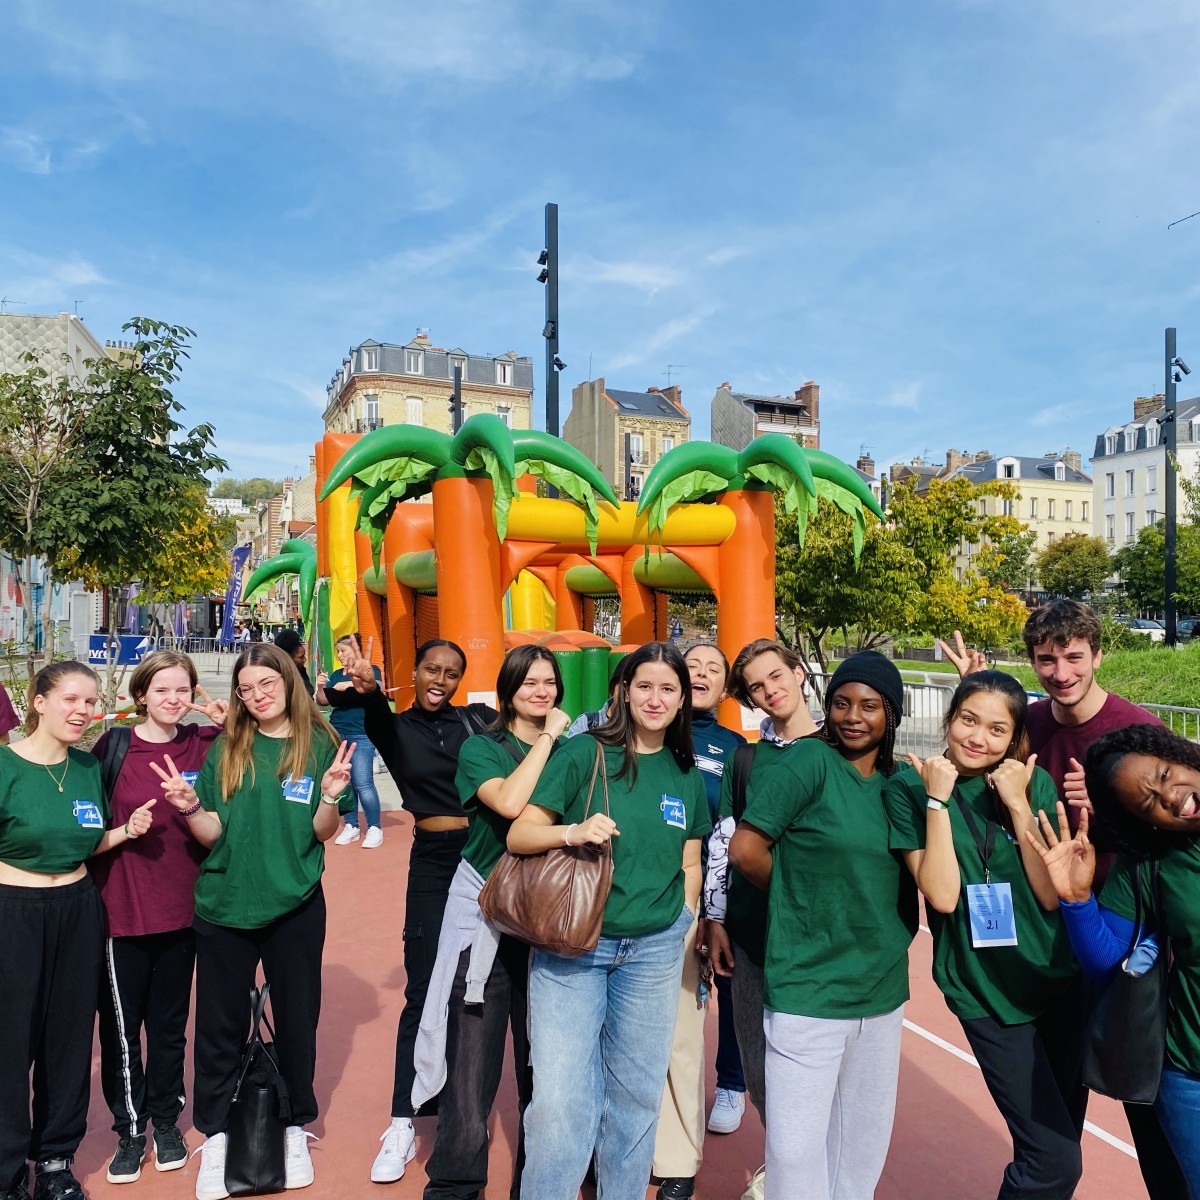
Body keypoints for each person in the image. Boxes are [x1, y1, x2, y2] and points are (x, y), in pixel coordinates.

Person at [940, 603, 1189, 1200]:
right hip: (1048, 940)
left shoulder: (1140, 732)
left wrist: (1106, 816)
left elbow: (1177, 827)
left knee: (1147, 1107)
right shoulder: (1027, 724)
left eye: (1074, 656)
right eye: (1046, 659)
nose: (1060, 671)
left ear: (1098, 656)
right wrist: (973, 691)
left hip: (1121, 941)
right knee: (1056, 1131)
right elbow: (982, 739)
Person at [509, 641, 710, 1198]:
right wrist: (574, 831)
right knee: (559, 1100)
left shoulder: (684, 773)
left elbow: (690, 859)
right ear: (623, 692)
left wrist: (684, 918)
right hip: (576, 945)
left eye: (668, 689)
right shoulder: (583, 754)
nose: (655, 698)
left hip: (653, 950)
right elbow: (520, 833)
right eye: (644, 686)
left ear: (682, 700)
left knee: (636, 1096)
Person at [153, 643, 352, 1200]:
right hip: (225, 906)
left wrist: (332, 797)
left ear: (288, 681)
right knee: (218, 1029)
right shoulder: (229, 747)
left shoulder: (320, 746)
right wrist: (191, 807)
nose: (257, 696)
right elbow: (212, 834)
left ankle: (292, 1125)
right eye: (246, 689)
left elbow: (321, 831)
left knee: (296, 1022)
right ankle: (215, 1134)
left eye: (266, 683)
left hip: (295, 905)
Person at [884, 671, 1085, 1200]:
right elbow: (944, 896)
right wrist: (938, 801)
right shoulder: (908, 787)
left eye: (997, 729)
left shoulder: (1030, 783)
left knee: (1054, 1144)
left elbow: (1048, 894)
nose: (978, 738)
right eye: (968, 720)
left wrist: (1018, 803)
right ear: (949, 719)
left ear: (1015, 738)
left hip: (1056, 982)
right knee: (1054, 1161)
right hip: (985, 992)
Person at [729, 651, 917, 1200]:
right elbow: (745, 849)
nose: (853, 716)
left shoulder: (901, 783)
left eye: (869, 705)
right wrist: (802, 899)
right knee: (794, 1151)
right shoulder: (807, 763)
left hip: (880, 988)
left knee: (860, 1148)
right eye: (841, 703)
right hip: (808, 985)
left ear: (892, 714)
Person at [327, 639, 496, 1184]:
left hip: (490, 857)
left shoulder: (478, 720)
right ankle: (403, 1119)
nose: (439, 680)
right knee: (423, 992)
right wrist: (371, 689)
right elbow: (374, 712)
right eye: (430, 669)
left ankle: (464, 1116)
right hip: (434, 860)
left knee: (485, 990)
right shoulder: (395, 728)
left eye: (450, 673)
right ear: (415, 671)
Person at [412, 645, 570, 1200]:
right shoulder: (483, 746)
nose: (541, 691)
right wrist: (549, 737)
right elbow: (508, 803)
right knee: (471, 1059)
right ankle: (456, 1179)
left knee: (544, 1063)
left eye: (549, 682)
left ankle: (540, 1177)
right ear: (508, 689)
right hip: (483, 913)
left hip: (547, 919)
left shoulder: (575, 752)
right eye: (529, 682)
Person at [0, 662, 154, 1200]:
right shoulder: (3, 764)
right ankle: (8, 1169)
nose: (82, 711)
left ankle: (55, 1162)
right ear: (38, 702)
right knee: (10, 1039)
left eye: (90, 702)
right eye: (69, 699)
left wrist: (123, 833)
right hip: (13, 911)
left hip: (79, 907)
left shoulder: (89, 768)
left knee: (66, 1040)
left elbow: (86, 842)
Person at [1030, 725, 1200, 1198]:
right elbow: (1114, 964)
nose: (1171, 796)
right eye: (1149, 804)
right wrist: (1077, 899)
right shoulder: (1152, 863)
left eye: (1167, 773)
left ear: (1184, 757)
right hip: (1190, 1074)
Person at [90, 652, 227, 1183]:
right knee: (122, 1031)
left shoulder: (204, 743)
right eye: (162, 690)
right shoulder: (113, 747)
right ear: (140, 694)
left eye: (183, 689)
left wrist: (226, 719)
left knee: (169, 1027)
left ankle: (166, 1121)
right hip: (120, 910)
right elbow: (86, 825)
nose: (173, 699)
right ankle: (129, 1129)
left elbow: (283, 735)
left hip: (184, 910)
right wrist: (129, 827)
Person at [703, 639, 819, 1200]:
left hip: (819, 944)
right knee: (758, 1064)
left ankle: (807, 1172)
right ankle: (785, 1163)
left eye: (777, 676)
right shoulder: (746, 759)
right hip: (752, 936)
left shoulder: (843, 746)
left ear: (798, 674)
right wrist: (716, 918)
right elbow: (724, 839)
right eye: (756, 686)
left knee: (816, 1065)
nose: (771, 690)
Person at [654, 643, 746, 1200]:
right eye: (695, 667)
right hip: (648, 887)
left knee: (721, 986)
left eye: (716, 669)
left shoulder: (733, 747)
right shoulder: (655, 729)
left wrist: (715, 903)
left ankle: (731, 1081)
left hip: (710, 885)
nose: (704, 674)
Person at [316, 634, 384, 848]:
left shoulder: (369, 670)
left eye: (343, 651)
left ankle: (374, 827)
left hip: (362, 733)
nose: (340, 656)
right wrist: (320, 687)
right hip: (338, 733)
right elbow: (323, 701)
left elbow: (378, 685)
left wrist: (349, 684)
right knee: (343, 782)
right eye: (338, 652)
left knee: (362, 782)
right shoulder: (336, 675)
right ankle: (351, 825)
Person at [273, 628, 314, 697]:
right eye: (301, 657)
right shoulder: (277, 677)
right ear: (288, 657)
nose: (304, 659)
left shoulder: (301, 670)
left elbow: (309, 692)